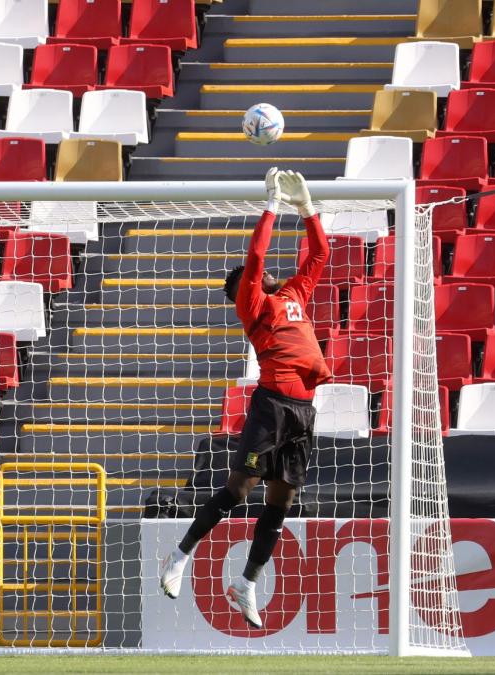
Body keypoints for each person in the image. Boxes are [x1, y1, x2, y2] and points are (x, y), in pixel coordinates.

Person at [159, 169, 331, 629]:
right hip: (272, 406)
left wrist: (306, 208)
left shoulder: (294, 294)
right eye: (252, 279)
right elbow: (255, 257)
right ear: (243, 293)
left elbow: (320, 254)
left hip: (303, 413)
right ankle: (179, 556)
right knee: (238, 491)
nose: (267, 273)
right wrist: (271, 206)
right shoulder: (253, 306)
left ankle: (247, 582)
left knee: (282, 500)